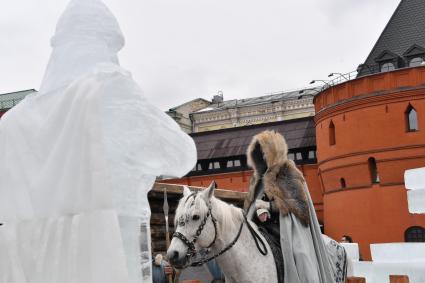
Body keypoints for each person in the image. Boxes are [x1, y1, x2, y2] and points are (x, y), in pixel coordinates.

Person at [244, 130, 347, 283]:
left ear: (274, 152)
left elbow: (298, 205)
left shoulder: (288, 172)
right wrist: (256, 209)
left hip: (288, 228)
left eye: (266, 152)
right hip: (263, 228)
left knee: (301, 254)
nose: (264, 157)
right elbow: (250, 206)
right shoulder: (257, 179)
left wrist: (269, 206)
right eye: (261, 154)